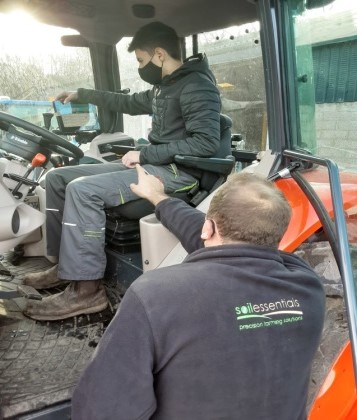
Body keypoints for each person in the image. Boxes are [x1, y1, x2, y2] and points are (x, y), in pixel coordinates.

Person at [71, 165, 325, 420]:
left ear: (208, 229)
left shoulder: (155, 296)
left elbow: (103, 410)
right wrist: (159, 198)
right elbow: (229, 244)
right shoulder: (308, 286)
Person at [23, 21, 221, 321]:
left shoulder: (197, 86)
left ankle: (86, 292)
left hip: (178, 173)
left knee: (83, 190)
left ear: (158, 54)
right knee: (59, 178)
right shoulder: (164, 87)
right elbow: (125, 102)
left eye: (141, 60)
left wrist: (144, 152)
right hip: (155, 163)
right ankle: (68, 264)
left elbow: (205, 143)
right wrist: (82, 93)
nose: (140, 67)